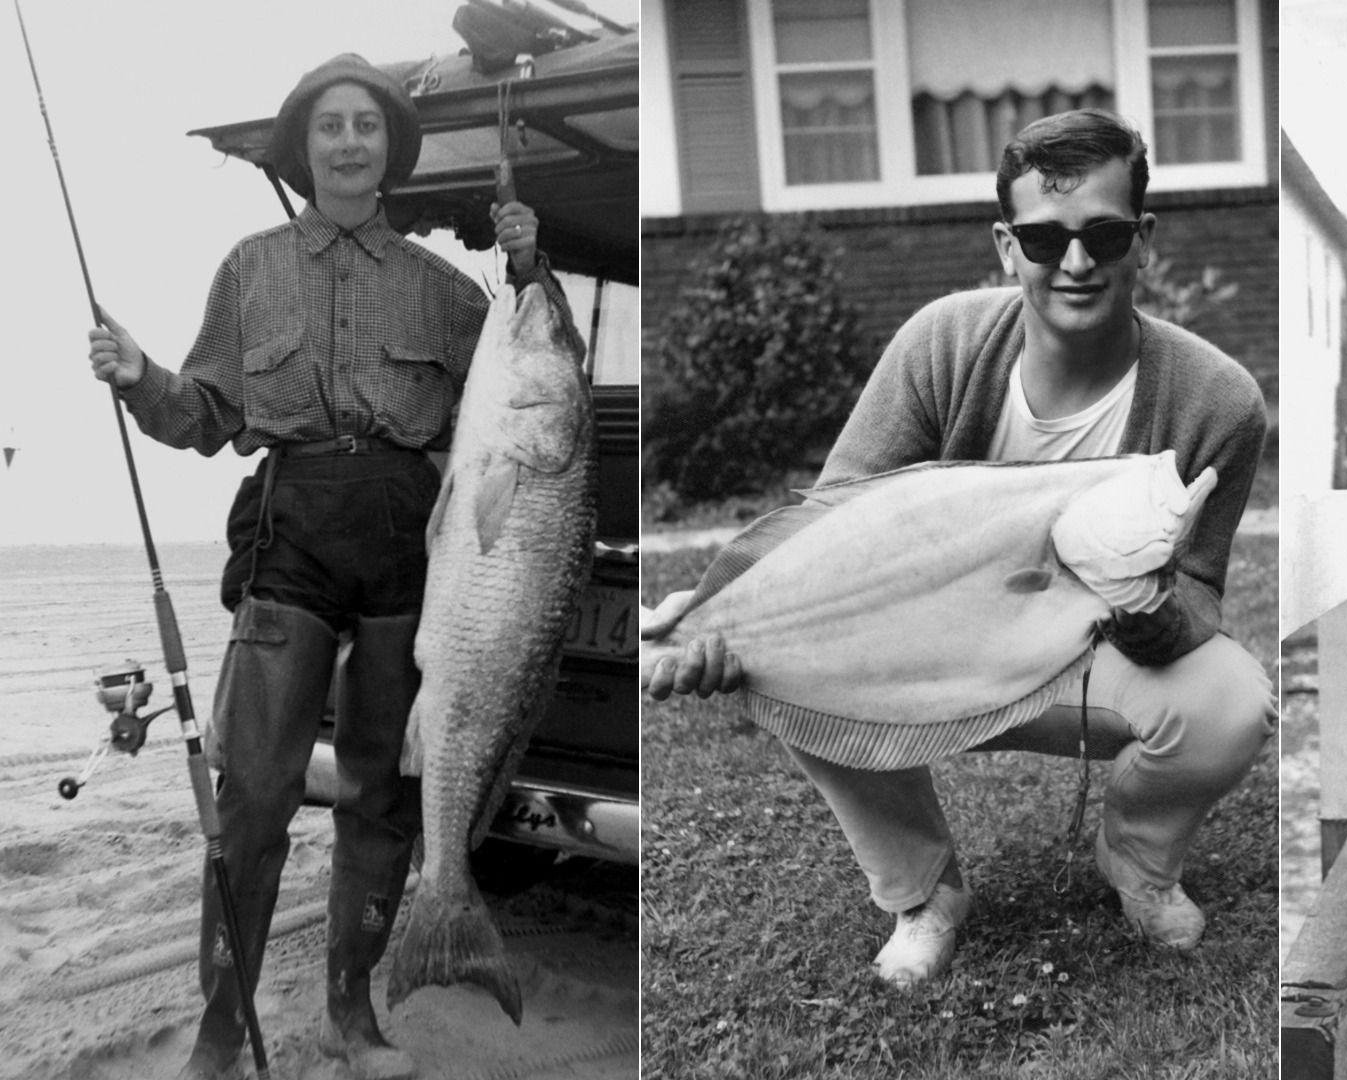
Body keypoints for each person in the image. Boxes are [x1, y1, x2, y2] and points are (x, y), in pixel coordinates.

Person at [643, 109, 1275, 985]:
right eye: (1045, 239)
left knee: (1232, 701)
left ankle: (1137, 863)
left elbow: (1200, 592)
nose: (1077, 262)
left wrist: (1147, 602)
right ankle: (925, 893)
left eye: (1104, 234)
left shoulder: (1220, 401)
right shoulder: (941, 343)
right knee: (790, 660)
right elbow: (835, 520)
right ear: (1007, 247)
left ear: (1143, 238)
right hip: (932, 657)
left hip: (1096, 663)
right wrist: (717, 610)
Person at [86, 54, 549, 1080]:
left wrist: (526, 269)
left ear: (389, 148)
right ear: (305, 147)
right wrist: (141, 376)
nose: (348, 142)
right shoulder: (249, 268)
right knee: (254, 794)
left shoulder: (444, 289)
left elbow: (528, 375)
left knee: (381, 796)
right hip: (289, 534)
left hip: (403, 545)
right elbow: (204, 414)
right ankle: (220, 1031)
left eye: (366, 126)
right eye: (331, 126)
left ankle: (352, 1014)